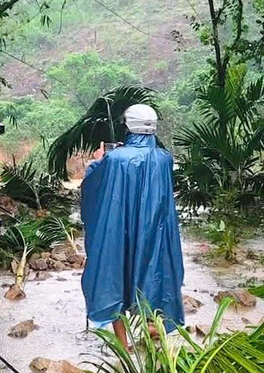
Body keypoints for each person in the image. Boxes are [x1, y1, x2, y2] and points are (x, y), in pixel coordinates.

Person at [79, 104, 185, 349]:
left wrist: (97, 162)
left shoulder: (115, 158)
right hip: (154, 233)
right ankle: (151, 330)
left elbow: (94, 182)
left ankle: (123, 345)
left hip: (121, 231)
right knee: (155, 273)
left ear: (127, 125)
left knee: (115, 275)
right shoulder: (165, 158)